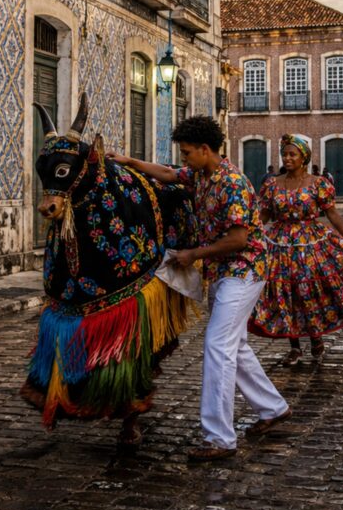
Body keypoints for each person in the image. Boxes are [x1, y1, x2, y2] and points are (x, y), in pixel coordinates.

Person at [110, 116, 290, 462]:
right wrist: (131, 162)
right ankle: (273, 408)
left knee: (218, 344)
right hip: (222, 272)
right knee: (234, 346)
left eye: (189, 152)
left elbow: (239, 239)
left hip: (244, 270)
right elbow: (168, 173)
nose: (185, 158)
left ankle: (220, 438)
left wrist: (193, 254)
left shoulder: (233, 183)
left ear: (206, 150)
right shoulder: (201, 175)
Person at [251, 135, 343, 365]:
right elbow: (265, 215)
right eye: (285, 154)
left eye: (293, 154)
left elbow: (332, 214)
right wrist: (251, 235)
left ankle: (315, 337)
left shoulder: (318, 184)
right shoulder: (272, 184)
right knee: (285, 292)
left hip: (310, 242)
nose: (287, 158)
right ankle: (294, 346)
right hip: (279, 244)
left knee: (309, 290)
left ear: (304, 158)